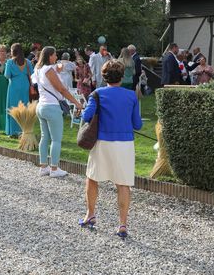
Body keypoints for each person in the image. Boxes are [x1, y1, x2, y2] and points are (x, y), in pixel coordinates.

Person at [80, 60, 142, 238]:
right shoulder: (131, 96)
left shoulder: (97, 94)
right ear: (122, 76)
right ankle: (122, 225)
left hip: (102, 143)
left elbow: (86, 116)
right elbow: (137, 124)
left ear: (104, 76)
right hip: (124, 145)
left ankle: (90, 215)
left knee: (92, 178)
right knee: (123, 184)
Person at [35, 46, 83, 178]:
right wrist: (76, 102)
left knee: (45, 137)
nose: (56, 57)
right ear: (50, 56)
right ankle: (54, 169)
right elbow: (61, 89)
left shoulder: (38, 68)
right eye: (55, 55)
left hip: (41, 106)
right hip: (51, 106)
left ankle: (43, 167)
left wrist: (61, 64)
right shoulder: (49, 70)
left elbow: (59, 67)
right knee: (56, 139)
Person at [4, 43, 33, 138]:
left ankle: (13, 132)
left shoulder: (10, 62)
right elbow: (32, 74)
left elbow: (7, 75)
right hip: (25, 85)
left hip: (14, 86)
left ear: (13, 52)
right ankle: (23, 130)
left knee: (13, 107)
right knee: (24, 107)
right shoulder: (27, 62)